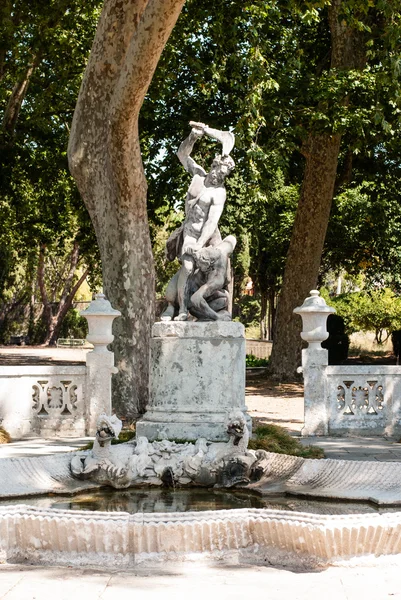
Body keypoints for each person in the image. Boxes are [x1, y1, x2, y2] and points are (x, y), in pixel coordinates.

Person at [162, 122, 235, 321]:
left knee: (215, 271)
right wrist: (193, 137)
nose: (219, 177)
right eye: (218, 172)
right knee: (186, 268)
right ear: (213, 166)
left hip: (207, 237)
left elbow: (212, 222)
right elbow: (182, 155)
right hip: (190, 232)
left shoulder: (219, 193)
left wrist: (200, 246)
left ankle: (213, 304)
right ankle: (183, 309)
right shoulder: (198, 176)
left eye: (224, 175)